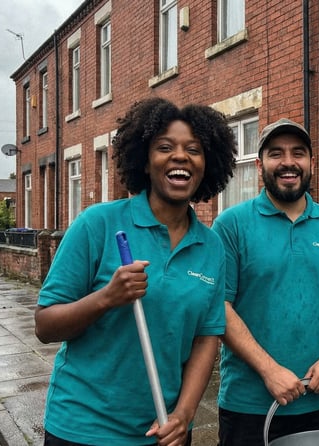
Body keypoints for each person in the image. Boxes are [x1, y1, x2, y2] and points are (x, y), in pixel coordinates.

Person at [35, 97, 237, 446]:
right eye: (164, 147)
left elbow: (206, 339)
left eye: (194, 149)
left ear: (208, 165)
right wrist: (107, 298)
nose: (180, 156)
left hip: (164, 432)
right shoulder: (98, 224)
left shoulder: (211, 246)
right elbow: (45, 326)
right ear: (144, 161)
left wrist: (184, 416)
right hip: (84, 429)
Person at [211, 118, 319, 445]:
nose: (288, 162)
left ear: (312, 162)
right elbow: (218, 306)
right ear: (259, 164)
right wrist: (269, 370)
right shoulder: (231, 226)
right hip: (249, 404)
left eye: (298, 153)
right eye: (276, 153)